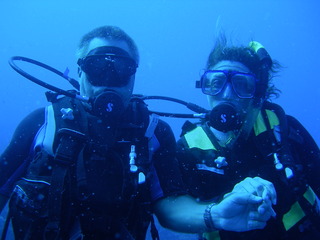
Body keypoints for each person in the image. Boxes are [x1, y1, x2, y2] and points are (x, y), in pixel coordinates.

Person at [0, 26, 276, 240]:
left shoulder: (152, 133)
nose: (108, 79)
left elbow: (171, 206)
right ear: (80, 71)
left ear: (133, 75)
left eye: (119, 69)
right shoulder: (45, 122)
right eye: (98, 68)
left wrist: (213, 215)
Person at [176, 33, 320, 240]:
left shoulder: (284, 130)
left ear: (257, 93)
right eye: (216, 83)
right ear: (205, 87)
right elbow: (175, 209)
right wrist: (217, 209)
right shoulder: (187, 149)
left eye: (241, 85)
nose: (226, 95)